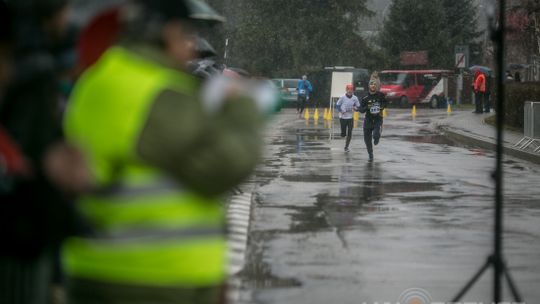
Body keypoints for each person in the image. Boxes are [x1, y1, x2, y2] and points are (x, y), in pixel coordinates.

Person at [61, 0, 265, 303]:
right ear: (170, 33)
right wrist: (243, 109)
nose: (193, 48)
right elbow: (224, 165)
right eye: (188, 35)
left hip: (96, 269)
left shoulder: (98, 79)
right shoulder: (156, 91)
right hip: (157, 277)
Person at [359, 72, 387, 162]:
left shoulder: (380, 95)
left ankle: (377, 137)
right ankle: (370, 154)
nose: (373, 86)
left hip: (378, 119)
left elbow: (385, 103)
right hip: (368, 119)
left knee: (375, 134)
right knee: (367, 139)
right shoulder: (365, 97)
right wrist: (366, 107)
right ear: (369, 86)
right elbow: (361, 109)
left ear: (376, 86)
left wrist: (380, 107)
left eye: (374, 84)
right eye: (371, 84)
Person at [336, 84, 359, 152]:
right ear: (346, 90)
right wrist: (341, 110)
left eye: (351, 89)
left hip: (350, 117)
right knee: (343, 134)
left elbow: (358, 106)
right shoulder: (342, 97)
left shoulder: (355, 98)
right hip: (343, 117)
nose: (350, 91)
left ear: (353, 90)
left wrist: (356, 108)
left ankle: (346, 147)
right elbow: (337, 105)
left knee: (350, 132)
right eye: (348, 89)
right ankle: (343, 133)